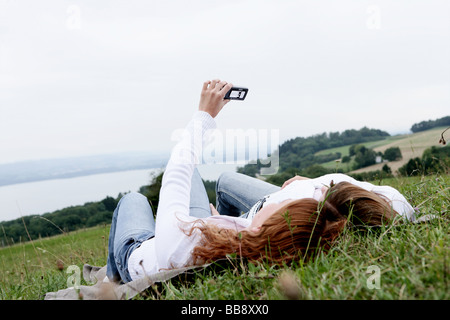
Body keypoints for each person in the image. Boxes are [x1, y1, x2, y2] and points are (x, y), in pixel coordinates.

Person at [106, 79, 416, 284]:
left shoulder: (181, 247)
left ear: (272, 222)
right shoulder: (261, 243)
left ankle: (111, 279)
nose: (280, 200)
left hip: (144, 251)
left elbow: (175, 175)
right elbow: (402, 206)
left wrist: (204, 116)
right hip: (201, 226)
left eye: (287, 204)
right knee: (195, 181)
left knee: (133, 200)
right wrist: (219, 223)